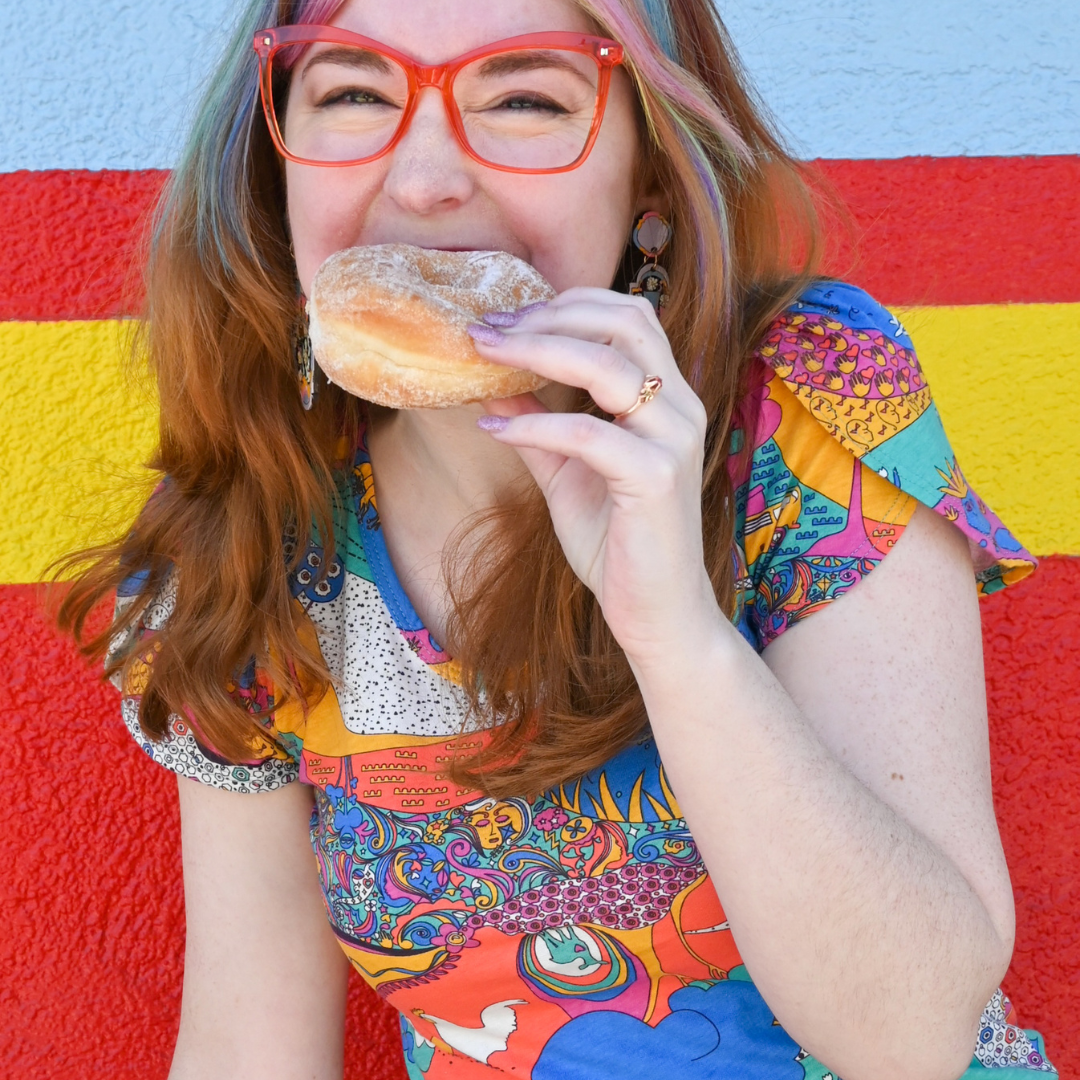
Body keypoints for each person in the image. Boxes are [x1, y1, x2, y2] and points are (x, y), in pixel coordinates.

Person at [58, 0, 1056, 1077]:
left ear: (655, 196)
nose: (425, 178)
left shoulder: (804, 403)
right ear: (274, 172)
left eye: (525, 99)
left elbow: (914, 1039)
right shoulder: (245, 549)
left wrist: (674, 631)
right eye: (353, 93)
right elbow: (248, 1047)